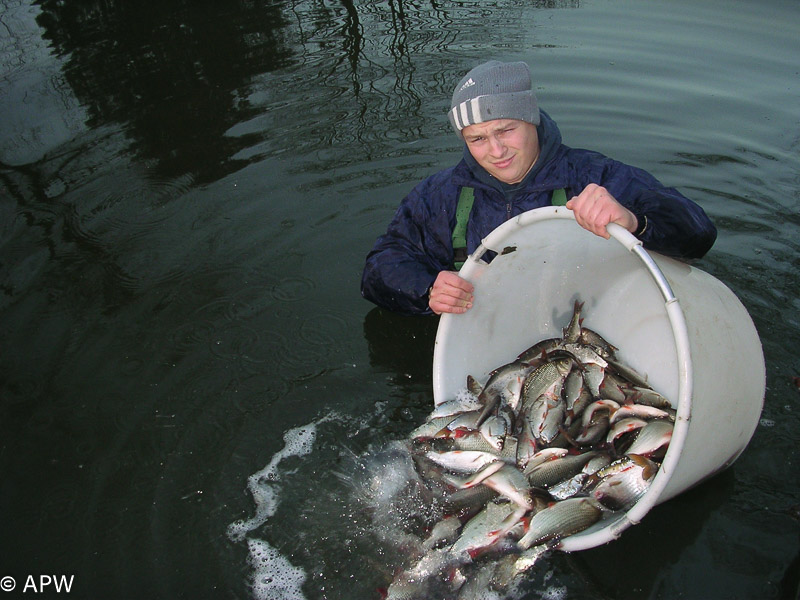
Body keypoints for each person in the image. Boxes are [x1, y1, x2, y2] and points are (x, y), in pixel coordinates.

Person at [361, 60, 717, 315]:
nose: (496, 151)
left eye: (505, 130)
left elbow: (698, 234)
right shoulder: (439, 194)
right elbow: (380, 267)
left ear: (531, 120)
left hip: (590, 321)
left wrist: (634, 220)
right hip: (487, 328)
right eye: (477, 138)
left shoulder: (594, 175)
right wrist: (427, 289)